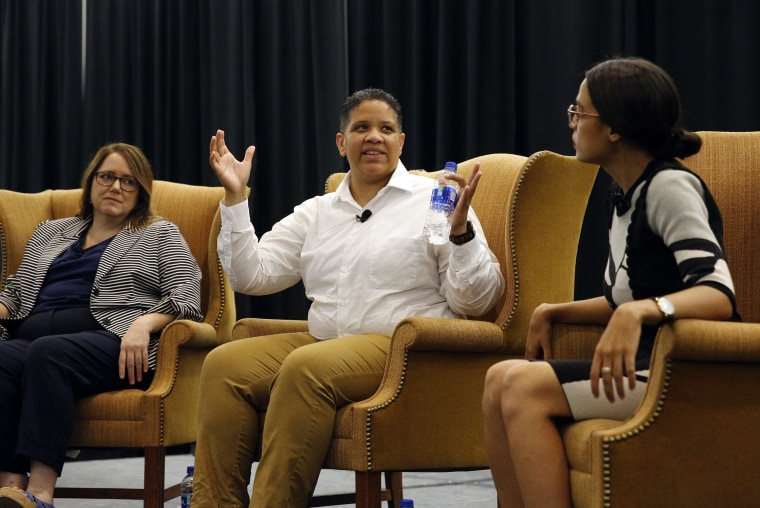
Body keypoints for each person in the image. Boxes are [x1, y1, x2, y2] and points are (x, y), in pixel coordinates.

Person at [192, 87, 505, 507]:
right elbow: (254, 275)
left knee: (306, 367)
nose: (374, 136)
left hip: (403, 347)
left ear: (401, 142)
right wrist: (235, 197)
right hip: (330, 342)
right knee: (225, 363)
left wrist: (460, 232)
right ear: (342, 142)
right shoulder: (318, 212)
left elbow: (475, 303)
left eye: (386, 129)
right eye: (361, 127)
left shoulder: (434, 202)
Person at [481, 57, 740, 507]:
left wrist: (643, 311)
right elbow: (622, 296)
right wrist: (553, 310)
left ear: (615, 128)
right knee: (499, 376)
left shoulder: (669, 186)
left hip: (689, 368)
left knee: (522, 386)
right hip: (647, 363)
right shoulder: (624, 194)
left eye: (579, 113)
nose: (572, 124)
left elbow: (717, 293)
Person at [0, 143, 203, 508]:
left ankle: (42, 493)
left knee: (49, 353)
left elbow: (187, 294)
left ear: (141, 193)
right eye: (108, 176)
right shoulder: (51, 231)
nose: (116, 187)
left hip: (112, 341)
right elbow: (15, 292)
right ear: (91, 181)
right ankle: (12, 488)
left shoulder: (159, 234)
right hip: (30, 336)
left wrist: (143, 324)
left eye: (129, 181)